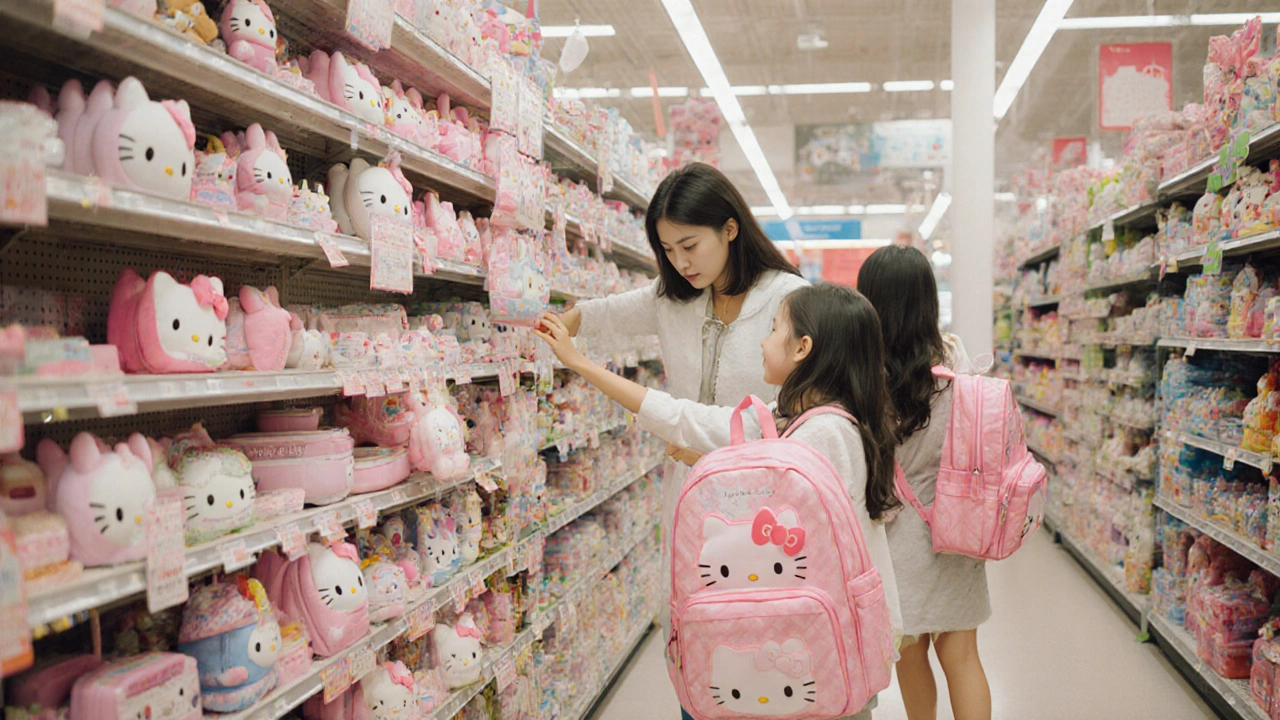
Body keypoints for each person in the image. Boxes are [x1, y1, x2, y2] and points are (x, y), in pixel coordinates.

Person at [536, 283, 902, 720]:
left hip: (819, 644)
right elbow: (690, 421)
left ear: (803, 347)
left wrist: (578, 362)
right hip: (819, 634)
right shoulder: (804, 417)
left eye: (773, 329)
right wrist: (707, 454)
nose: (764, 343)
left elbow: (778, 515)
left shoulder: (822, 434)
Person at [545, 163, 807, 653]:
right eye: (667, 250)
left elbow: (797, 410)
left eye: (690, 246)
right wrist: (554, 323)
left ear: (730, 229)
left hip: (762, 495)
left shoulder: (788, 298)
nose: (680, 262)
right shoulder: (675, 297)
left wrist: (719, 451)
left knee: (761, 638)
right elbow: (606, 313)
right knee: (697, 632)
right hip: (690, 492)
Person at [857, 245, 992, 720]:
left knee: (910, 653)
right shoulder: (954, 358)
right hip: (958, 524)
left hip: (897, 537)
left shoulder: (863, 374)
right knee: (962, 657)